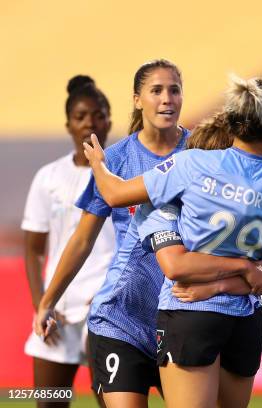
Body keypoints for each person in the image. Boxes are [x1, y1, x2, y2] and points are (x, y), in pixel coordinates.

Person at [82, 74, 262, 408]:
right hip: (245, 320)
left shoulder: (191, 164)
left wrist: (99, 165)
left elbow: (116, 195)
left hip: (191, 315)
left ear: (232, 122)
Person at [34, 60, 262, 408]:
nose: (167, 99)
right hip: (122, 320)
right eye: (156, 90)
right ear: (137, 100)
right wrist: (47, 302)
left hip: (184, 319)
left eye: (174, 90)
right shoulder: (115, 160)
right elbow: (82, 239)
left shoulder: (202, 153)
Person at [23, 75, 113, 408]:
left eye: (98, 114)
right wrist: (41, 305)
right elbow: (33, 250)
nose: (90, 122)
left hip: (105, 309)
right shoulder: (48, 178)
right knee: (50, 402)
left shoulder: (122, 174)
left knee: (108, 400)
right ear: (68, 125)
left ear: (109, 120)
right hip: (57, 312)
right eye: (81, 116)